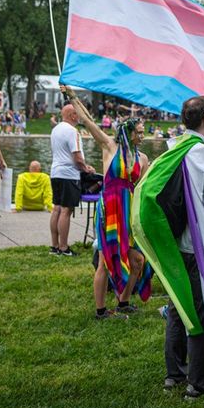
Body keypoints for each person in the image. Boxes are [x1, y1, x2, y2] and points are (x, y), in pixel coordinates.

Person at [134, 95, 204, 399]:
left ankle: (174, 375)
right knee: (201, 312)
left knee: (178, 308)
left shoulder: (173, 149)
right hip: (198, 248)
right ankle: (200, 384)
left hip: (176, 244)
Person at [64, 86, 153, 319]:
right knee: (104, 261)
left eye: (144, 132)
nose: (142, 136)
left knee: (137, 260)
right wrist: (72, 97)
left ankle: (123, 302)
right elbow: (87, 121)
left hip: (128, 211)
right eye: (139, 132)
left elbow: (143, 187)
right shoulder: (110, 147)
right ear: (128, 132)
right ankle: (101, 310)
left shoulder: (142, 158)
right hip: (110, 210)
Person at [50, 102, 94, 256]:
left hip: (55, 172)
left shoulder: (56, 129)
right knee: (66, 211)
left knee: (56, 209)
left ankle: (54, 246)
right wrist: (86, 168)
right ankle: (64, 247)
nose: (80, 116)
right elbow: (77, 157)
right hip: (69, 174)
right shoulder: (73, 131)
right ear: (72, 115)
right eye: (79, 113)